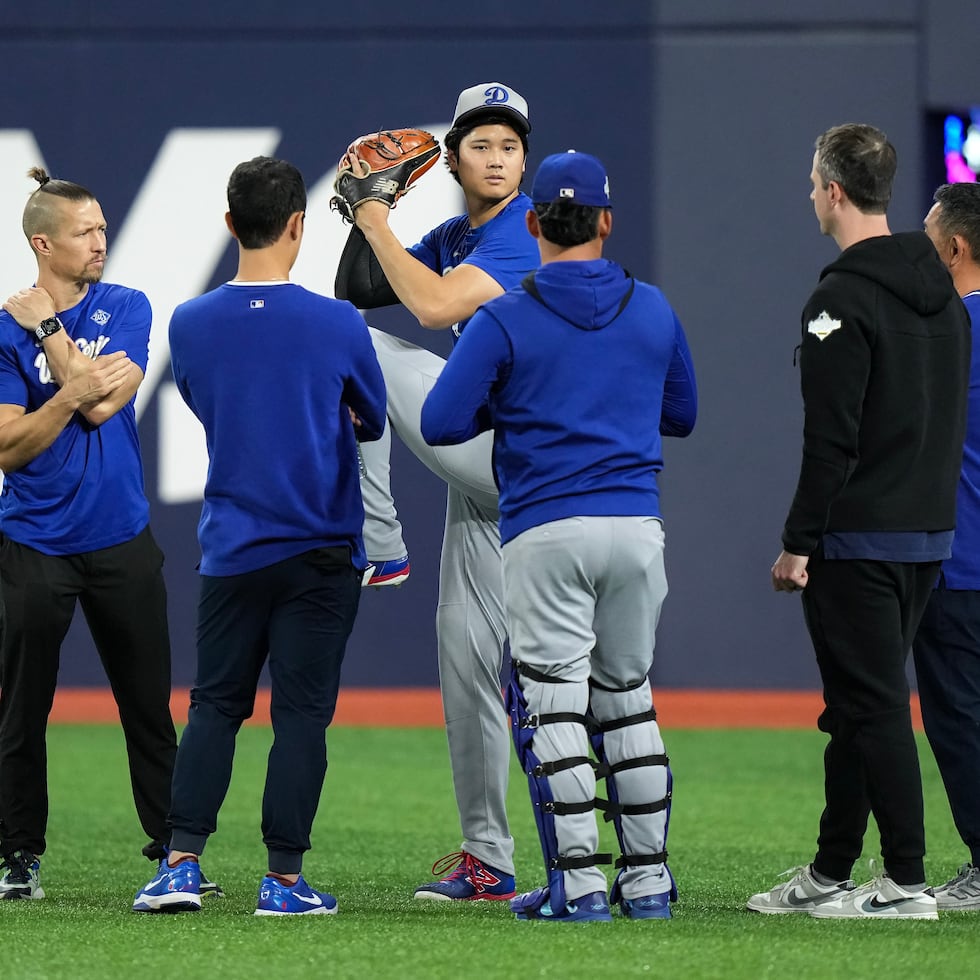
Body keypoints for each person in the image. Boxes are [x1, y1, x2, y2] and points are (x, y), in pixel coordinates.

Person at [420, 151, 697, 922]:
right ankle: (647, 885)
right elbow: (683, 414)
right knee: (629, 703)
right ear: (607, 221)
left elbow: (443, 421)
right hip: (637, 525)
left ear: (535, 222)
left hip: (546, 527)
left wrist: (518, 402)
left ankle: (578, 886)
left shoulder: (508, 315)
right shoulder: (653, 308)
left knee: (554, 708)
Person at [132, 156, 386, 915]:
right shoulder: (338, 321)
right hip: (319, 551)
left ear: (228, 222)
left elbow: (208, 403)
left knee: (214, 706)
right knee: (301, 716)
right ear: (299, 225)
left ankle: (179, 865)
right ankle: (282, 880)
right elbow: (370, 415)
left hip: (233, 548)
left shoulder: (192, 321)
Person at [749, 124, 970, 920]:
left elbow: (831, 441)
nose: (812, 196)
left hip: (859, 539)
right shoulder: (942, 291)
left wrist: (797, 542)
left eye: (814, 184)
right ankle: (831, 869)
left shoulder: (839, 298)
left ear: (834, 190)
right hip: (926, 535)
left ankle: (906, 883)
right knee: (855, 705)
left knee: (872, 707)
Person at [334, 81, 540, 900]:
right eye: (481, 144)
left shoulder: (525, 233)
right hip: (480, 482)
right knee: (464, 668)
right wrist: (364, 205)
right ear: (451, 157)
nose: (496, 157)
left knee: (355, 348)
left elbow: (428, 306)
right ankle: (488, 858)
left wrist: (377, 217)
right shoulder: (456, 229)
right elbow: (359, 287)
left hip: (521, 464)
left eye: (510, 145)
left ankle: (379, 540)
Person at [0, 169, 219, 901]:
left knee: (148, 708)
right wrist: (70, 386)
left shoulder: (127, 305)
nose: (102, 240)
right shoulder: (2, 328)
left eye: (102, 226)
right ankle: (18, 858)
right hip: (31, 543)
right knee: (21, 712)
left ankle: (175, 855)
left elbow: (104, 408)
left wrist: (50, 334)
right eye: (85, 231)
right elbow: (8, 447)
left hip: (120, 538)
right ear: (43, 243)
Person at [912, 181, 980, 911]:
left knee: (961, 720)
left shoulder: (940, 333)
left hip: (958, 563)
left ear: (956, 248)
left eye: (928, 240)